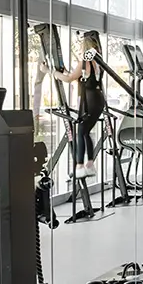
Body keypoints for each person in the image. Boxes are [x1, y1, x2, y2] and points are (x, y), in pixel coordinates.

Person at [50, 30, 106, 179]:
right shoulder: (98, 61)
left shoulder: (85, 61)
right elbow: (82, 77)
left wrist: (52, 72)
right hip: (98, 99)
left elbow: (68, 79)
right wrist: (68, 72)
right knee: (86, 132)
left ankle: (80, 166)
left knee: (80, 132)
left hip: (89, 101)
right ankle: (90, 164)